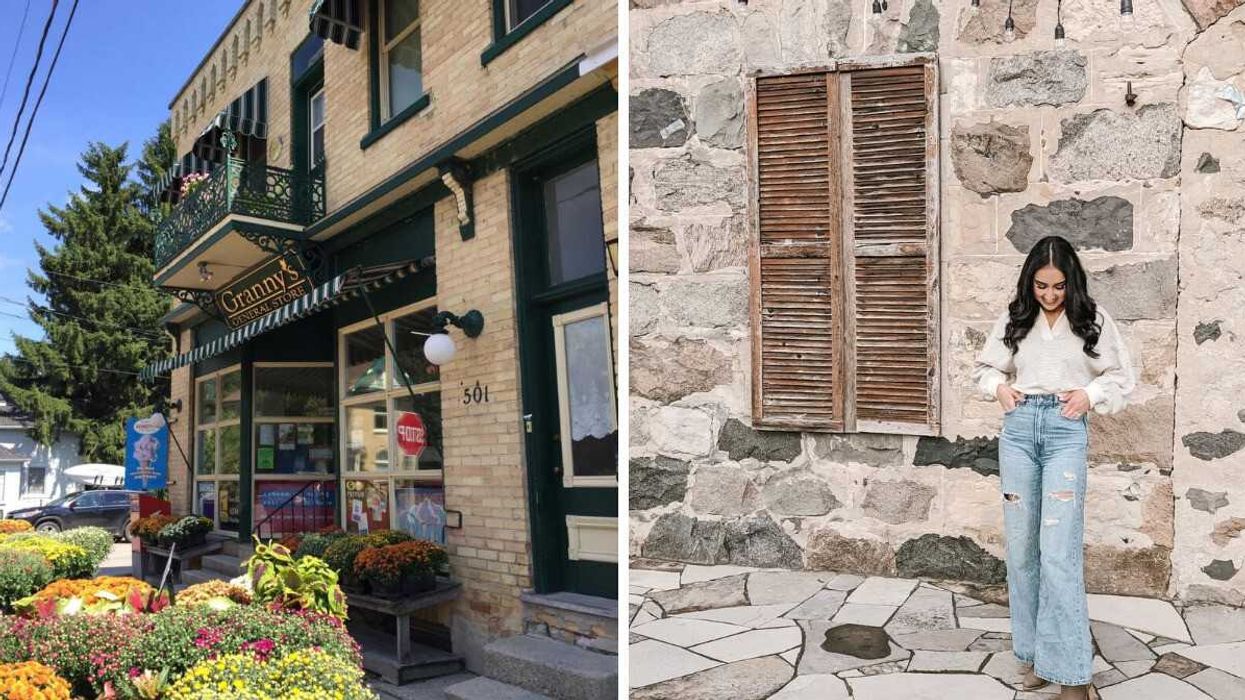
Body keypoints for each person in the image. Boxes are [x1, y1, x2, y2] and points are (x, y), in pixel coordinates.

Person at [972, 235, 1136, 700]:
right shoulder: (1015, 317)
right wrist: (997, 389)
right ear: (1030, 282)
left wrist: (1091, 395)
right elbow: (985, 369)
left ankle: (1072, 674)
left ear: (1072, 282)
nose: (1049, 295)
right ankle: (1034, 656)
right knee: (1022, 552)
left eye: (1059, 286)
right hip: (1019, 431)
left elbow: (1121, 376)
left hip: (1066, 431)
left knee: (1059, 553)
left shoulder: (1092, 319)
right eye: (1042, 286)